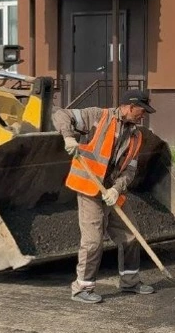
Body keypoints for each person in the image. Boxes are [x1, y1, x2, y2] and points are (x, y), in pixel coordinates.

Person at [52, 89, 157, 304]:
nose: (143, 115)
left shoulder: (136, 136)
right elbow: (61, 114)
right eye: (142, 110)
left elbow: (130, 170)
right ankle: (82, 288)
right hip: (90, 188)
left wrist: (116, 189)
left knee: (130, 236)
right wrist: (68, 137)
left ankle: (130, 282)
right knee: (92, 241)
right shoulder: (97, 116)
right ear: (130, 107)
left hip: (112, 191)